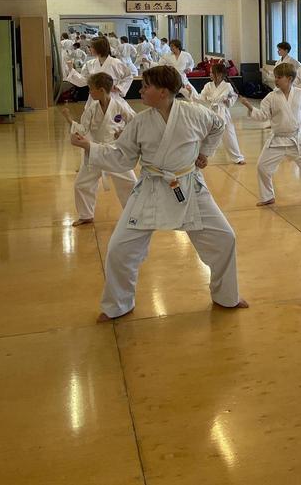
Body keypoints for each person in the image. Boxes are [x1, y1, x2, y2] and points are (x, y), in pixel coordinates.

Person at [70, 66, 248, 320]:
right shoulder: (141, 122)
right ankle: (118, 304)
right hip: (151, 187)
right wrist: (90, 146)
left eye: (146, 86)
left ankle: (226, 296)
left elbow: (219, 126)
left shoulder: (195, 113)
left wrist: (204, 152)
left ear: (163, 92)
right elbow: (122, 157)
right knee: (119, 248)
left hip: (189, 185)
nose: (140, 89)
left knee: (225, 238)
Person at [239, 62, 301, 206]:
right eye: (275, 77)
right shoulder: (271, 97)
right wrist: (249, 106)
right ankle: (267, 197)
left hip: (297, 138)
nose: (275, 80)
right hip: (278, 139)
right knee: (262, 167)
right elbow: (263, 116)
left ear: (289, 78)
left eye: (279, 77)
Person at [61, 72, 137, 227]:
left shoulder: (120, 105)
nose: (89, 92)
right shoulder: (92, 108)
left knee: (130, 183)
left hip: (115, 151)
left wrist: (124, 133)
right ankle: (86, 215)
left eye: (91, 89)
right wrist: (69, 119)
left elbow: (135, 123)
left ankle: (133, 215)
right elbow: (82, 129)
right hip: (95, 150)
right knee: (81, 184)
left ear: (101, 90)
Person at [197, 63, 245, 164]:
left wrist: (228, 102)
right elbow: (201, 97)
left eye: (211, 72)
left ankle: (238, 157)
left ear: (218, 74)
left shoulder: (227, 86)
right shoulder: (208, 85)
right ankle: (198, 155)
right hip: (211, 113)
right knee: (204, 134)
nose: (209, 74)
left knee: (230, 135)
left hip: (223, 113)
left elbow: (234, 96)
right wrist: (191, 92)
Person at [65, 36, 133, 99]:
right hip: (95, 98)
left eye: (91, 47)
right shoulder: (90, 64)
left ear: (99, 48)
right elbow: (83, 81)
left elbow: (128, 76)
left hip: (112, 97)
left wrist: (119, 87)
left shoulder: (116, 63)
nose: (90, 49)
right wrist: (71, 70)